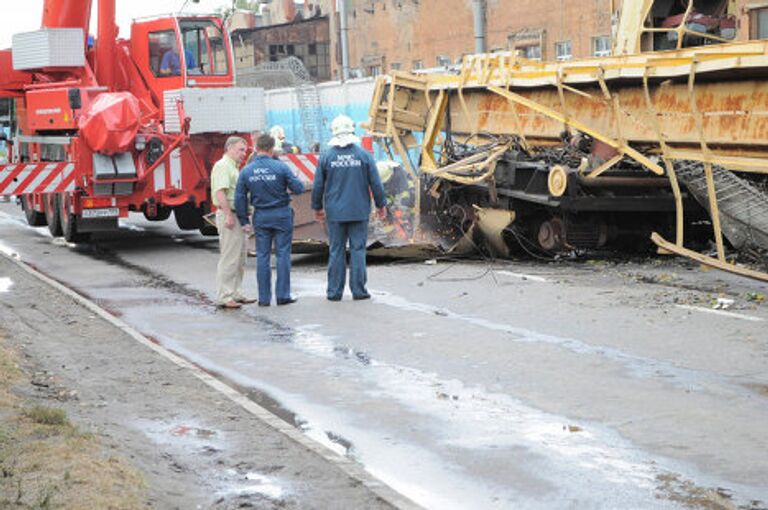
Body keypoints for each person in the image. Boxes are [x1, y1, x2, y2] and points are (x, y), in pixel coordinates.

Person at [311, 115, 387, 301]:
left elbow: (318, 185)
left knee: (336, 250)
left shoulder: (326, 156)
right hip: (359, 210)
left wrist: (317, 207)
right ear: (352, 132)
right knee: (358, 250)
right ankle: (359, 291)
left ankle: (334, 292)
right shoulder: (363, 156)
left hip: (335, 213)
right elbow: (376, 183)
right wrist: (381, 205)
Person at [235, 134, 305, 306]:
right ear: (272, 148)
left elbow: (239, 198)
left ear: (256, 148)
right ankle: (283, 296)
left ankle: (264, 299)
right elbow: (298, 188)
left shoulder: (247, 170)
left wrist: (244, 220)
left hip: (261, 216)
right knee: (282, 255)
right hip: (281, 215)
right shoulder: (280, 167)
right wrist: (295, 179)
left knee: (263, 257)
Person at [211, 136, 255, 309]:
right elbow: (220, 192)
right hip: (230, 215)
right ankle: (225, 295)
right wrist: (228, 215)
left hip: (239, 216)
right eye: (240, 150)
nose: (243, 154)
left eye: (244, 150)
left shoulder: (234, 168)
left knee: (240, 257)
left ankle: (236, 292)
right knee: (229, 257)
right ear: (229, 148)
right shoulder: (222, 166)